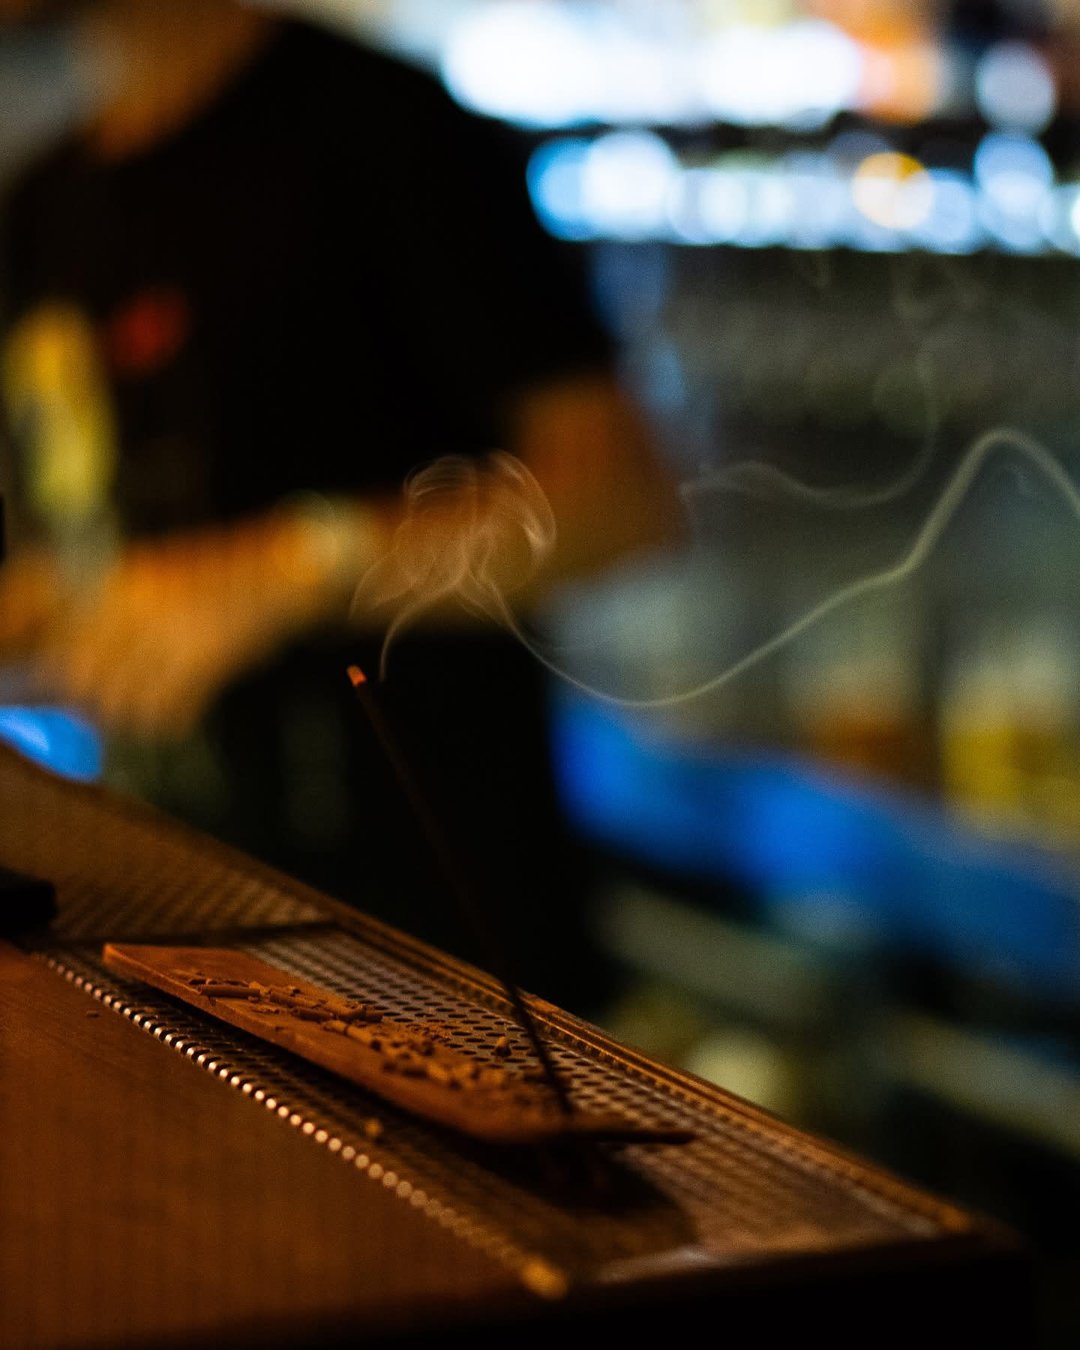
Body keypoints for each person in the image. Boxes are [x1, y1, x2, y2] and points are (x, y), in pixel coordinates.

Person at [0, 0, 677, 1012]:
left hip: (441, 960)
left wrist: (288, 567)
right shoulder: (46, 201)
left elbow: (621, 501)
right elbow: (92, 546)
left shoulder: (383, 127)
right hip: (185, 929)